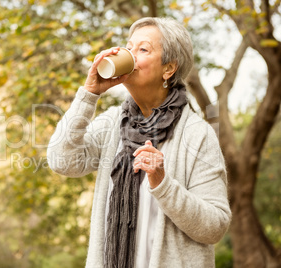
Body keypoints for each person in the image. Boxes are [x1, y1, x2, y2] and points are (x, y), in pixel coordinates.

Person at [47, 17, 231, 268]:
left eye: (142, 49)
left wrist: (163, 184)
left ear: (169, 69)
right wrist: (89, 94)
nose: (130, 55)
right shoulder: (113, 123)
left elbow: (215, 227)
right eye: (129, 47)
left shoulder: (197, 134)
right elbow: (61, 161)